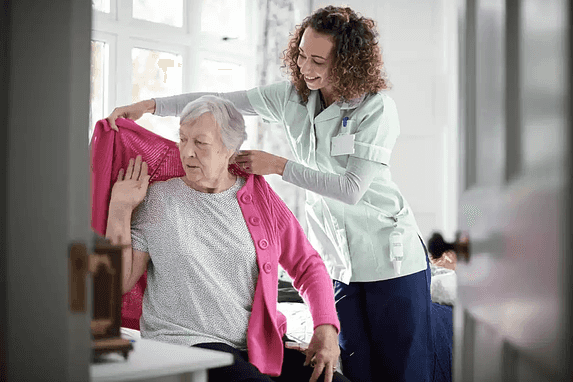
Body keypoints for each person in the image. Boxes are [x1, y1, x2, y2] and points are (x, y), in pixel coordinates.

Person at [107, 6, 434, 381]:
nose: (306, 67)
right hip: (341, 260)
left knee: (403, 371)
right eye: (301, 55)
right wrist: (150, 106)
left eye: (318, 61)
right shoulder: (291, 97)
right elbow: (220, 99)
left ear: (346, 64)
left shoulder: (375, 109)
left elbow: (351, 190)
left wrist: (278, 165)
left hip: (390, 256)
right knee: (359, 369)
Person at [105, 95, 350, 382]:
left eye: (201, 142)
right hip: (186, 344)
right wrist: (119, 209)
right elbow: (118, 282)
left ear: (229, 149)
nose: (187, 152)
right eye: (183, 139)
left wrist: (326, 328)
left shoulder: (259, 197)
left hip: (254, 349)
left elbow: (308, 264)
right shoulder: (159, 199)